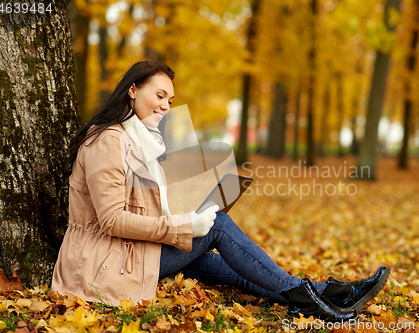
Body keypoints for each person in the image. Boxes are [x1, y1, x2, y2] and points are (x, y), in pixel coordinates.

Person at [51, 60, 390, 323]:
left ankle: (332, 293)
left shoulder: (138, 142)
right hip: (105, 263)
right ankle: (317, 300)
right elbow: (111, 220)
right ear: (132, 90)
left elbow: (143, 208)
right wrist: (184, 227)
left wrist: (189, 209)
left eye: (170, 99)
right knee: (217, 226)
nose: (166, 106)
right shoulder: (108, 140)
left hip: (131, 253)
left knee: (231, 270)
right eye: (159, 95)